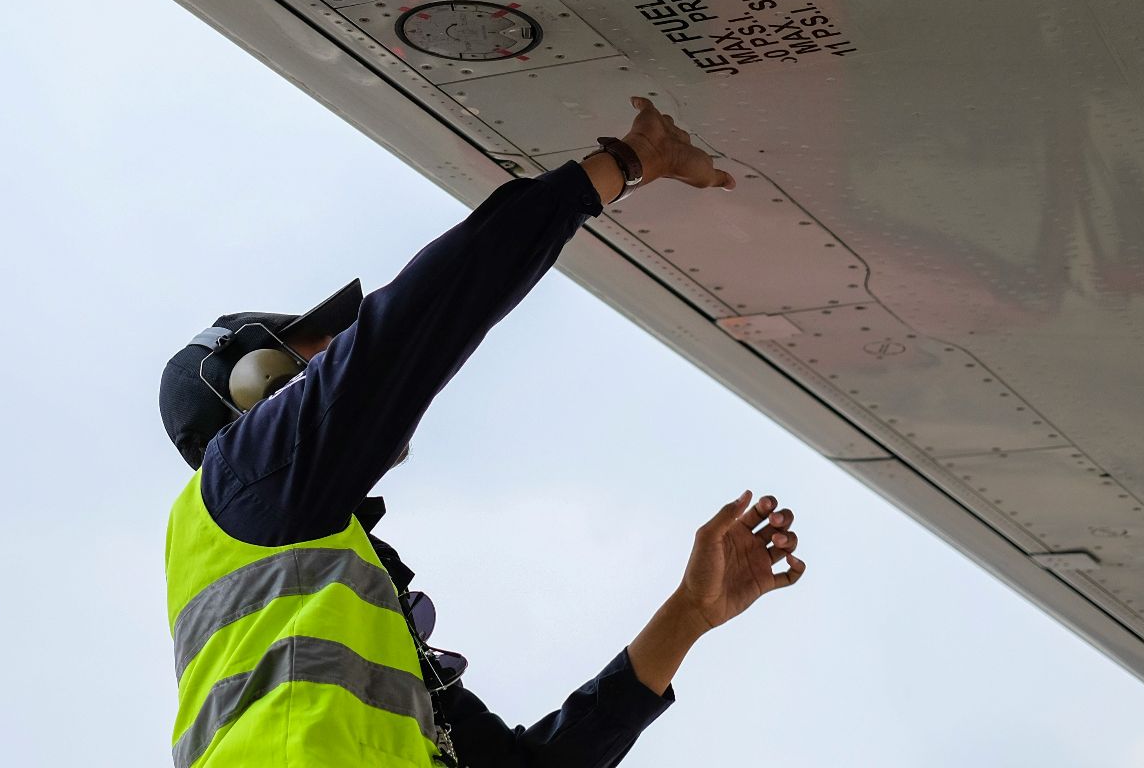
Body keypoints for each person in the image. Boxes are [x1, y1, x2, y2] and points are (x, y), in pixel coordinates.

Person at [158, 97, 806, 767]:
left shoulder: (326, 593)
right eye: (321, 349)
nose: (339, 354)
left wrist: (689, 614)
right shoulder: (244, 478)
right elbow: (424, 315)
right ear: (254, 387)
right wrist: (624, 165)